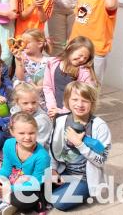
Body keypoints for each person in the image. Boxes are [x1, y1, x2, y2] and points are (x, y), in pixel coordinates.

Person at [49, 82, 111, 211]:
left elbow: (101, 161)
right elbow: (53, 148)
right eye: (75, 99)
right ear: (67, 101)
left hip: (85, 178)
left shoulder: (99, 126)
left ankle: (84, 190)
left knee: (58, 202)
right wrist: (53, 169)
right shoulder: (61, 121)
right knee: (37, 185)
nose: (80, 104)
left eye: (85, 100)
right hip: (64, 170)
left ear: (92, 103)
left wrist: (80, 144)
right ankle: (65, 188)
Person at [0, 112, 51, 214]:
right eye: (22, 133)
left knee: (23, 198)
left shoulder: (42, 156)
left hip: (30, 187)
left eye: (31, 133)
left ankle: (14, 202)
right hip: (12, 179)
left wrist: (9, 188)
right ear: (12, 132)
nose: (27, 137)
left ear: (37, 132)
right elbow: (6, 169)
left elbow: (36, 183)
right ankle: (4, 199)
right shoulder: (8, 144)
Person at [67, 0, 121, 80]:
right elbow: (79, 19)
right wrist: (70, 40)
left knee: (92, 82)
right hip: (76, 45)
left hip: (96, 50)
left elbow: (111, 5)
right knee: (70, 78)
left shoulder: (109, 1)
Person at [43, 36, 97, 118]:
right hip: (52, 110)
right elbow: (47, 87)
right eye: (80, 55)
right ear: (70, 49)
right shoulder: (52, 63)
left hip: (73, 114)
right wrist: (52, 107)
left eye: (85, 58)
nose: (82, 59)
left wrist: (62, 111)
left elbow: (84, 97)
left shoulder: (84, 73)